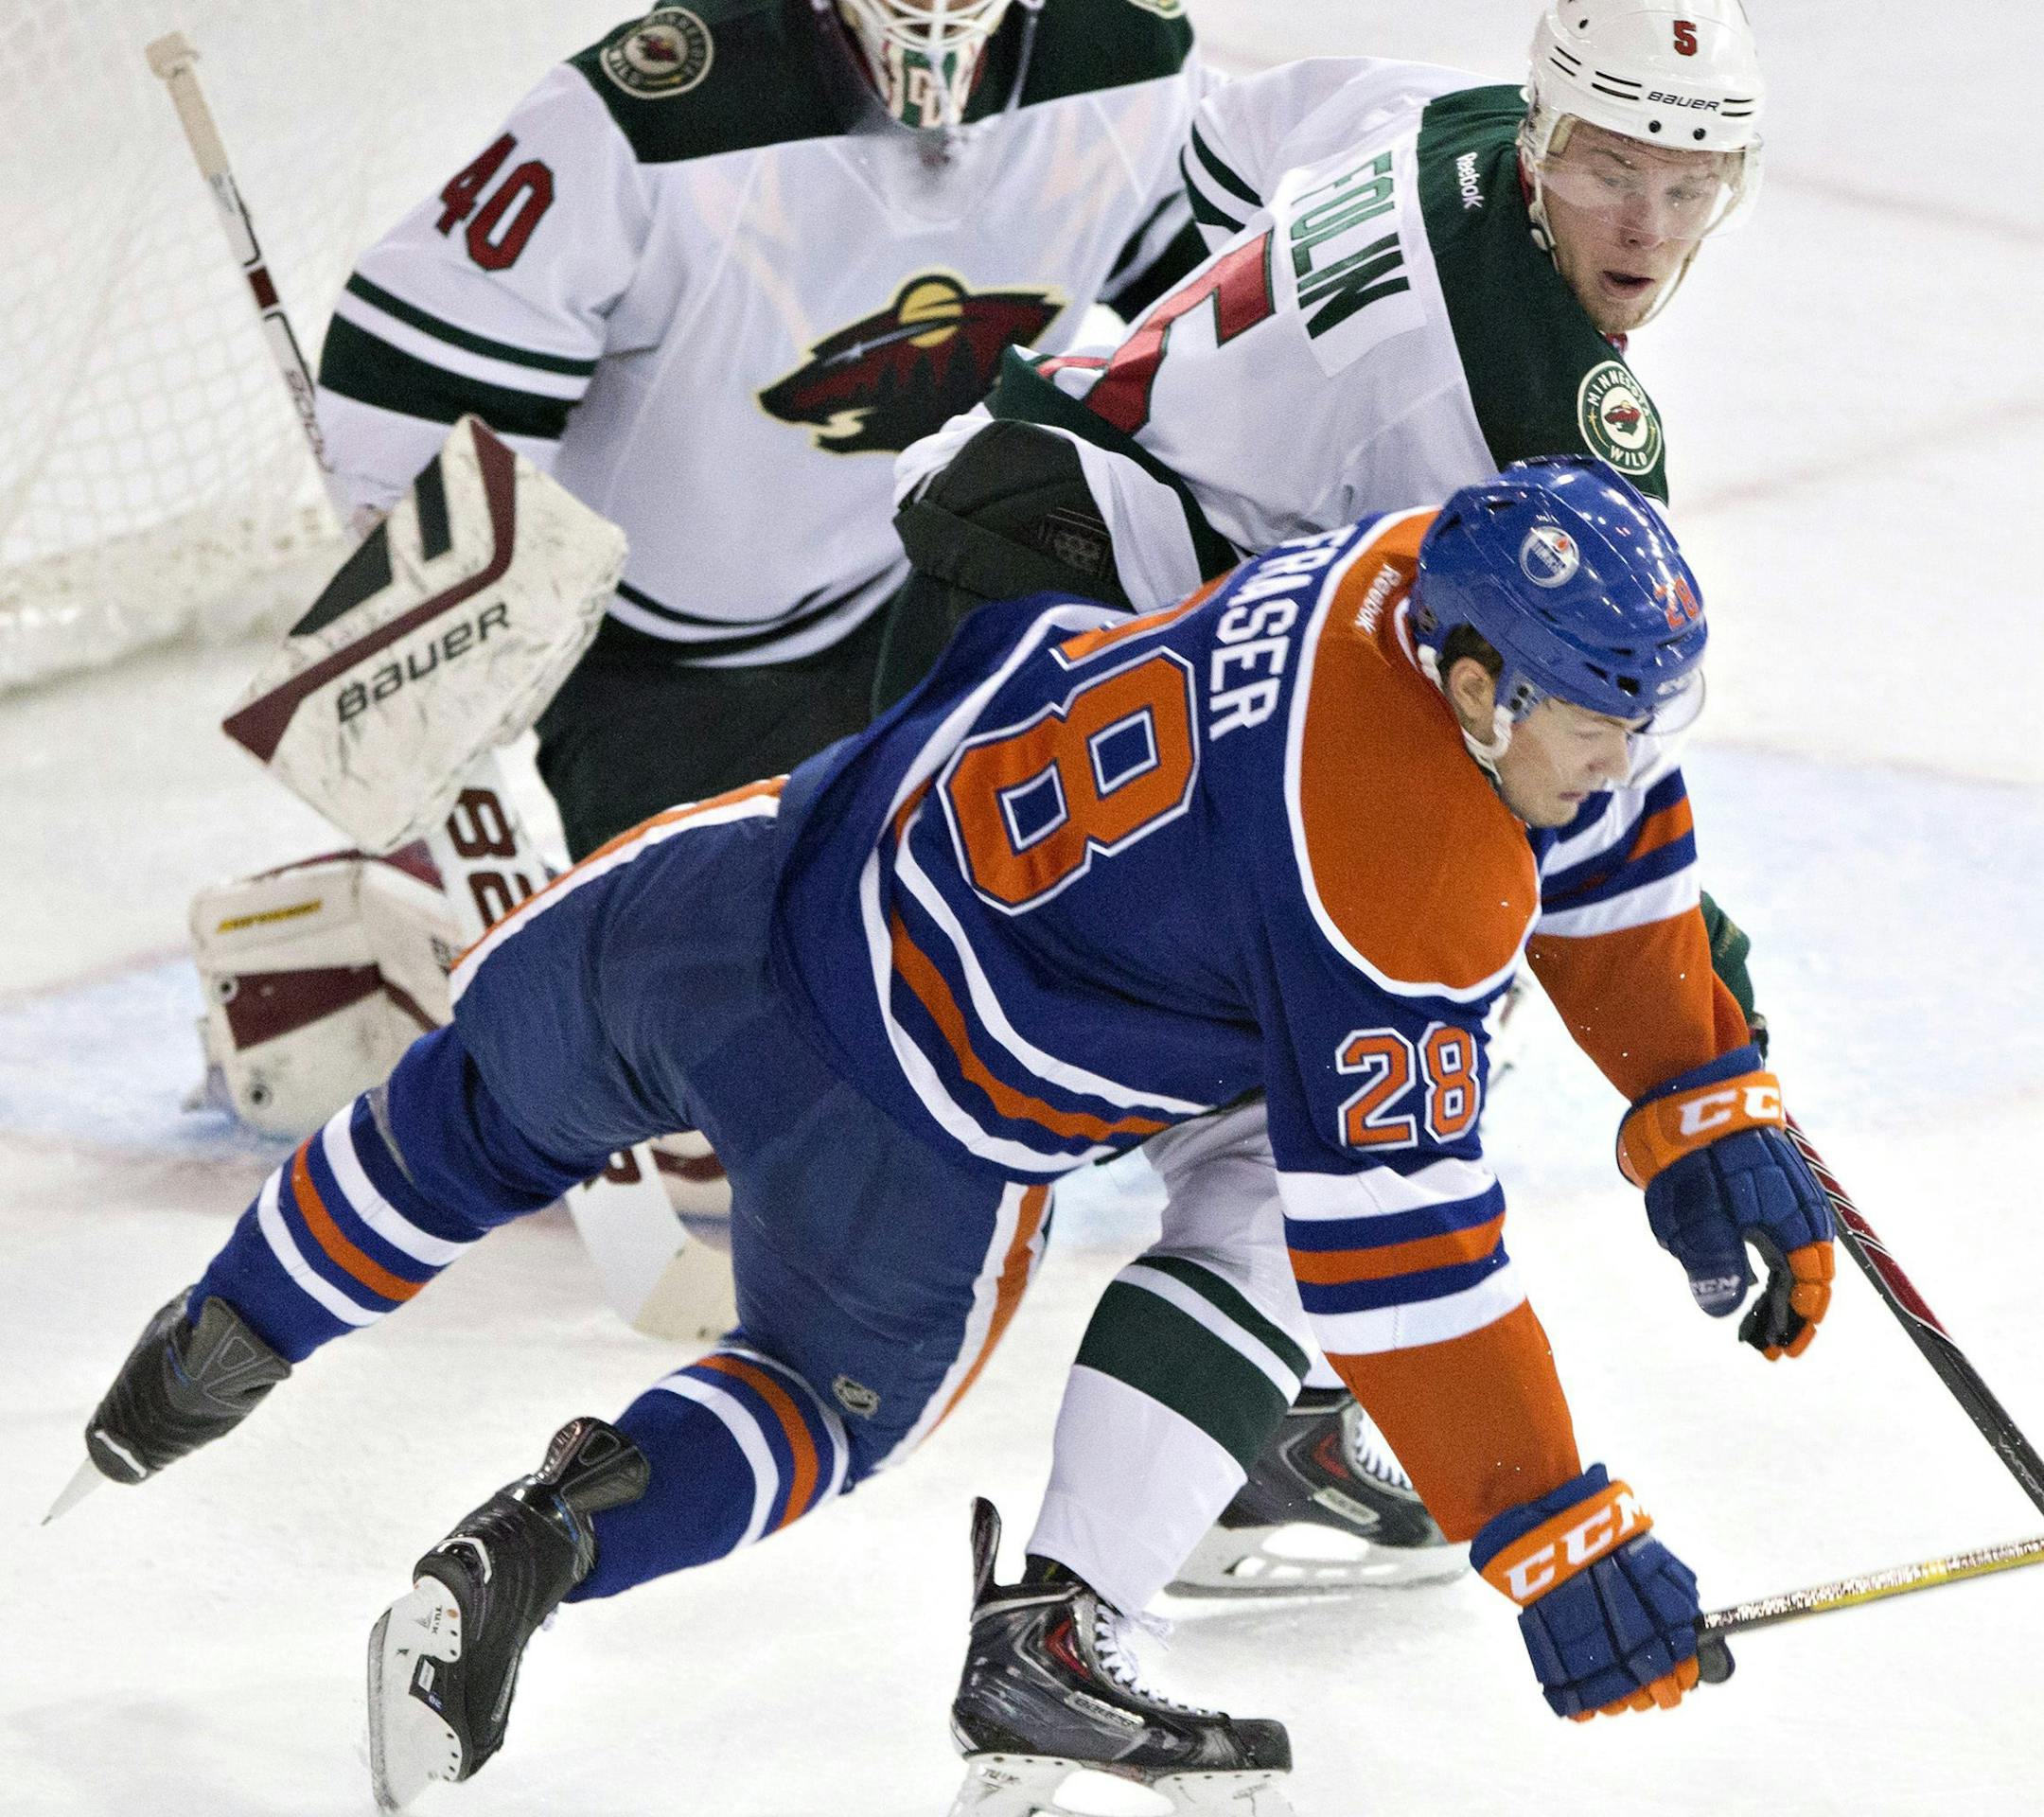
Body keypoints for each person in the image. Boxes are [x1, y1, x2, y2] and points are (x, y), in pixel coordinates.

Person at [74, 459, 1835, 1813]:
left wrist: (1701, 1083)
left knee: (454, 1122)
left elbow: (1594, 809)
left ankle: (208, 1352)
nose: (1629, 763)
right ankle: (542, 1550)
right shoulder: (1408, 887)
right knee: (815, 1401)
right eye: (1606, 723)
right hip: (905, 1132)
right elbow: (1404, 1272)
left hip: (725, 889)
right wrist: (1556, 1533)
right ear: (1479, 692)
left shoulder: (1404, 565)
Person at [882, 0, 1777, 1601]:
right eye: (1609, 172)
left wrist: (1214, 396)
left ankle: (1259, 1427)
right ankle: (1115, 1578)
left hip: (1011, 526)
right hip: (1089, 663)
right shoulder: (1549, 429)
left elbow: (1209, 156)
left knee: (1334, 1038)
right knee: (1350, 1083)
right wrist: (1708, 1058)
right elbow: (1572, 775)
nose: (1648, 229)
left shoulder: (1428, 111)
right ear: (1543, 137)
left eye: (1692, 183)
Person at [312, 0, 1212, 863]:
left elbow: (1216, 309)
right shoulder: (656, 107)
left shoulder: (1127, 55)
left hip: (923, 600)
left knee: (948, 955)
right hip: (659, 675)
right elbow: (426, 363)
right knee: (690, 991)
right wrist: (436, 616)